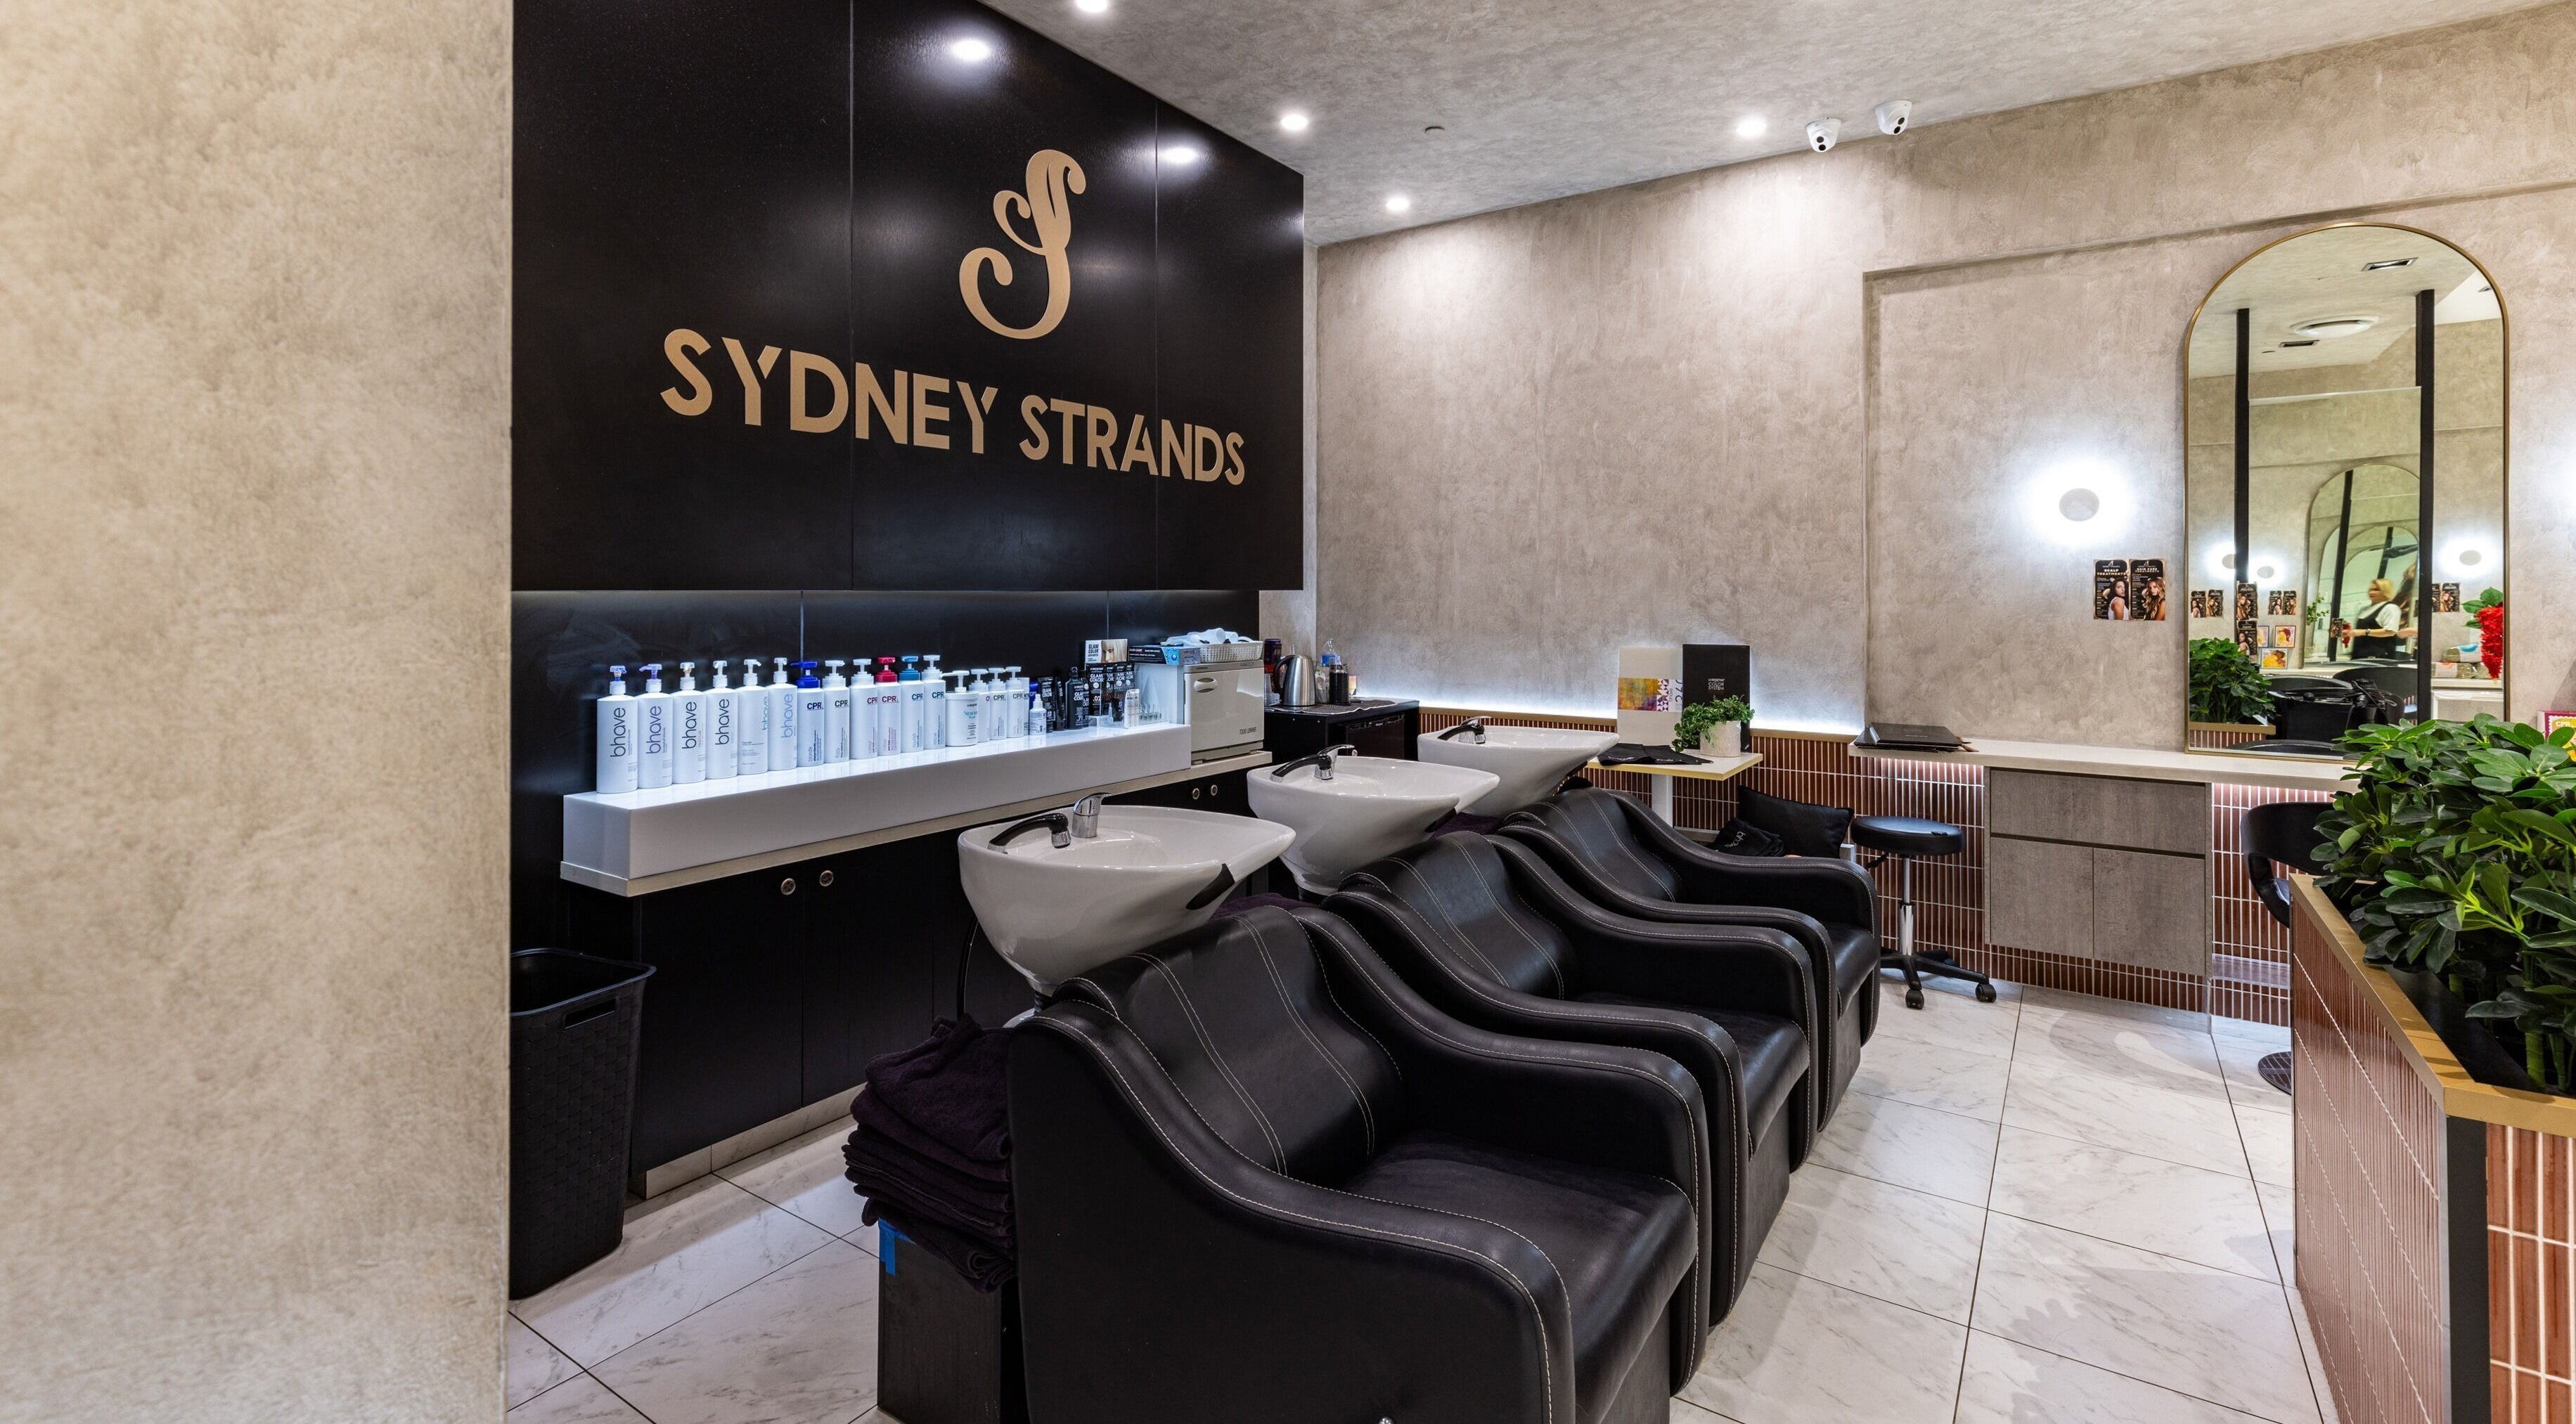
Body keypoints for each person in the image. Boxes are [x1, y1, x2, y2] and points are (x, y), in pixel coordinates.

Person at [2348, 577, 2411, 659]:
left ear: (2385, 591)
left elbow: (2390, 631)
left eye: (2376, 589)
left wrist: (2364, 632)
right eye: (2370, 589)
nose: (2371, 592)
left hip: (2378, 658)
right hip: (2360, 656)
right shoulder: (2364, 610)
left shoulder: (2391, 608)